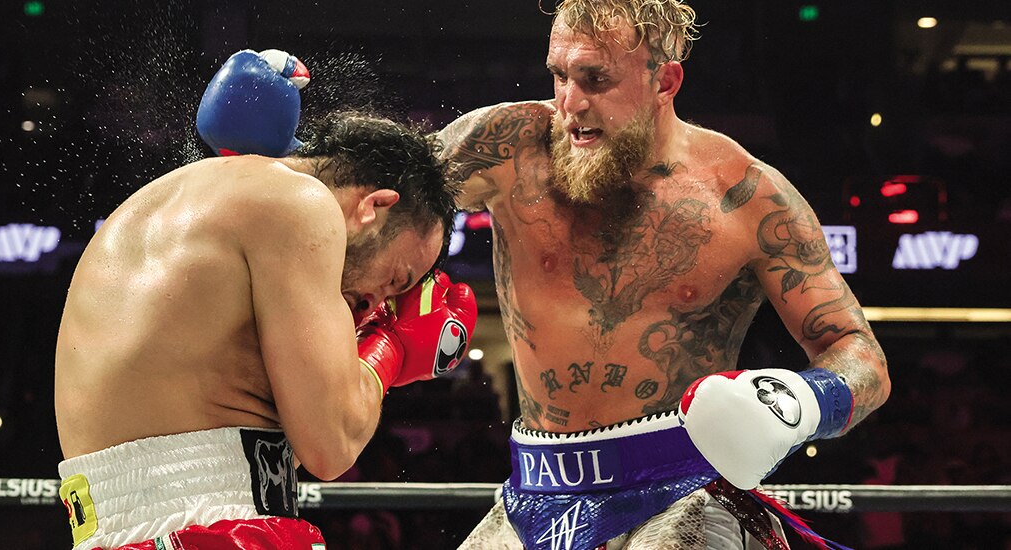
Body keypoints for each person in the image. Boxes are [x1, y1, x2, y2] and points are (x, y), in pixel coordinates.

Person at [431, 1, 891, 548]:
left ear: (665, 80)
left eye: (596, 79)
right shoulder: (512, 146)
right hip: (532, 493)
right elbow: (379, 200)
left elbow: (862, 356)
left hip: (685, 491)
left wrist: (803, 401)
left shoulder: (747, 195)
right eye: (560, 75)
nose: (570, 103)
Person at [54, 50, 477, 550]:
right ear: (376, 207)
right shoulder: (300, 204)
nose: (379, 304)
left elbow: (252, 449)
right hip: (215, 528)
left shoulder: (183, 196)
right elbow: (330, 446)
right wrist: (392, 350)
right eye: (397, 279)